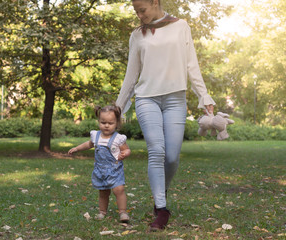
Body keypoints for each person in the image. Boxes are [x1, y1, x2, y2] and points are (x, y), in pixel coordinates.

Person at [115, 0, 216, 231]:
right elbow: (132, 75)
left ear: (155, 3)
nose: (140, 16)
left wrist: (204, 96)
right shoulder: (137, 35)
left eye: (143, 10)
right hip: (146, 98)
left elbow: (192, 65)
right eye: (136, 12)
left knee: (171, 157)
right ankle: (161, 208)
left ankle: (161, 191)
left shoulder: (181, 26)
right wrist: (118, 108)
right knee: (156, 150)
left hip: (175, 99)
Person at [68, 105, 131, 223]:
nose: (106, 125)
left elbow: (126, 149)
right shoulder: (96, 136)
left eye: (110, 123)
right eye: (103, 122)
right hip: (100, 170)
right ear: (99, 122)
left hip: (114, 169)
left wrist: (125, 154)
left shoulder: (118, 138)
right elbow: (88, 144)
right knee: (103, 191)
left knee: (119, 189)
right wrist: (77, 148)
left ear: (117, 123)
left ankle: (122, 212)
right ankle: (102, 211)